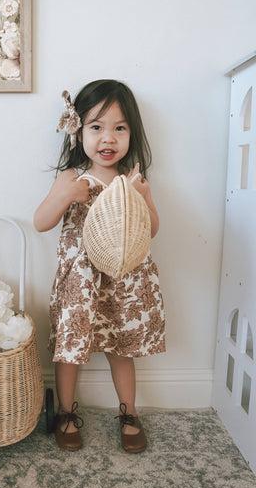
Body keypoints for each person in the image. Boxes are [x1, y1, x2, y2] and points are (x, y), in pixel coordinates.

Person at [34, 79, 165, 452]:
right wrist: (64, 196)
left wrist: (146, 198)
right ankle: (66, 411)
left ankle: (128, 412)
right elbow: (41, 221)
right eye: (97, 127)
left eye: (119, 128)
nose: (108, 138)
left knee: (121, 349)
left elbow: (151, 230)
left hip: (123, 280)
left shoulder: (132, 180)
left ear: (131, 134)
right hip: (81, 283)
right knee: (70, 348)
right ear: (78, 132)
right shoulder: (71, 177)